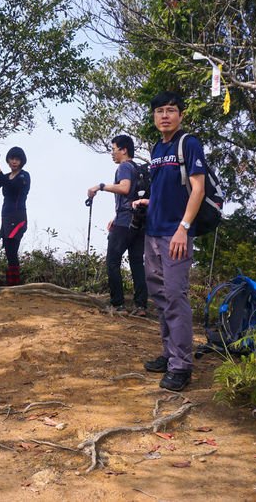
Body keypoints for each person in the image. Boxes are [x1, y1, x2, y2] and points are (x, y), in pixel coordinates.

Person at [134, 91, 206, 392]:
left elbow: (198, 189)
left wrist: (183, 228)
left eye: (171, 110)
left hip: (175, 234)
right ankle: (170, 353)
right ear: (154, 117)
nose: (165, 115)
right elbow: (168, 188)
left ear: (181, 115)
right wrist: (149, 202)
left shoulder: (188, 143)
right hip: (153, 231)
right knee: (161, 296)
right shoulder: (157, 148)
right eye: (160, 111)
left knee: (175, 296)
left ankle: (181, 366)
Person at [87, 134, 148, 317]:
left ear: (124, 150)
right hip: (140, 220)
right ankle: (141, 306)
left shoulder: (124, 167)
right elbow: (132, 196)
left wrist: (100, 186)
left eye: (113, 150)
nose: (112, 154)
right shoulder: (138, 168)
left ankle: (118, 304)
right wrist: (116, 215)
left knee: (112, 261)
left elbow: (124, 188)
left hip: (125, 222)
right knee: (137, 262)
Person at [0, 146, 30, 285]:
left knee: (12, 250)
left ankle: (14, 284)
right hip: (6, 218)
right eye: (12, 158)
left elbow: (14, 186)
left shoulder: (24, 175)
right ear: (8, 160)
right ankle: (11, 283)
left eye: (17, 159)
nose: (14, 162)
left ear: (22, 161)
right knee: (8, 250)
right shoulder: (6, 177)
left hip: (18, 217)